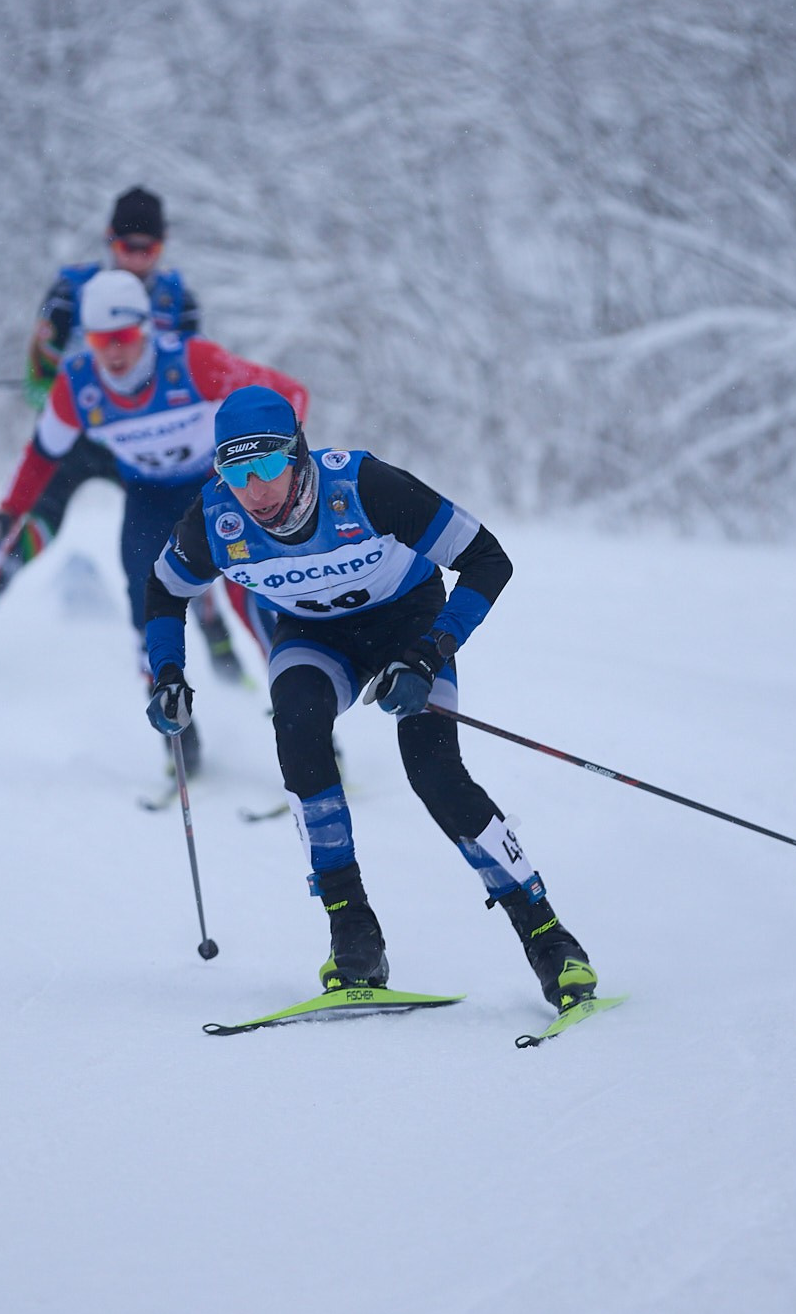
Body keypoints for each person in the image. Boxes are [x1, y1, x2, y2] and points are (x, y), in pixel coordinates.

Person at [138, 386, 597, 1013]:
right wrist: (167, 672)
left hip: (410, 627)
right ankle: (353, 933)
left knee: (433, 772)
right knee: (297, 730)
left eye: (268, 464)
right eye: (236, 471)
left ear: (297, 453)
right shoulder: (215, 520)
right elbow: (164, 593)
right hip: (314, 638)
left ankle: (548, 936)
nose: (256, 488)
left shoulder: (366, 487)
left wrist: (428, 653)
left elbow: (489, 560)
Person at [0, 273, 308, 777]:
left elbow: (291, 395)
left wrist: (283, 468)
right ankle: (179, 739)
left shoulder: (194, 362)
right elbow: (42, 456)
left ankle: (307, 730)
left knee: (254, 595)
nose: (113, 353)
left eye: (124, 338)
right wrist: (8, 510)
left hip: (211, 486)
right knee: (147, 600)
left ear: (145, 330)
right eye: (99, 341)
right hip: (148, 495)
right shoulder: (79, 386)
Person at [0, 185, 249, 679]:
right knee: (35, 526)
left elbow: (189, 379)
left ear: (163, 248)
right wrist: (59, 383)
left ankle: (224, 661)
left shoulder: (178, 298)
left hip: (143, 448)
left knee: (181, 544)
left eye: (150, 250)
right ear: (108, 243)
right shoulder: (70, 291)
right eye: (126, 249)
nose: (138, 261)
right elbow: (38, 386)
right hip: (82, 436)